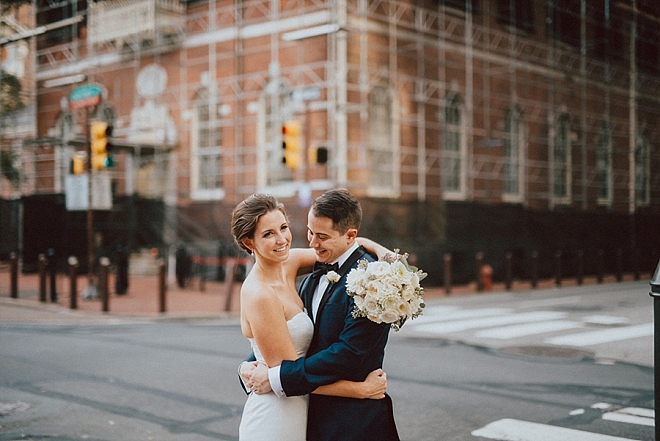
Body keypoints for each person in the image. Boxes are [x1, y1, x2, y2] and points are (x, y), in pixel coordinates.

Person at [241, 189, 400, 441]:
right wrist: (249, 367)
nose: (312, 243)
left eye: (283, 228)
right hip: (286, 414)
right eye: (309, 232)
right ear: (250, 243)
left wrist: (388, 259)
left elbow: (348, 354)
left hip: (352, 424)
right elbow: (278, 351)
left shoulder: (375, 283)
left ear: (350, 236)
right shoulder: (263, 288)